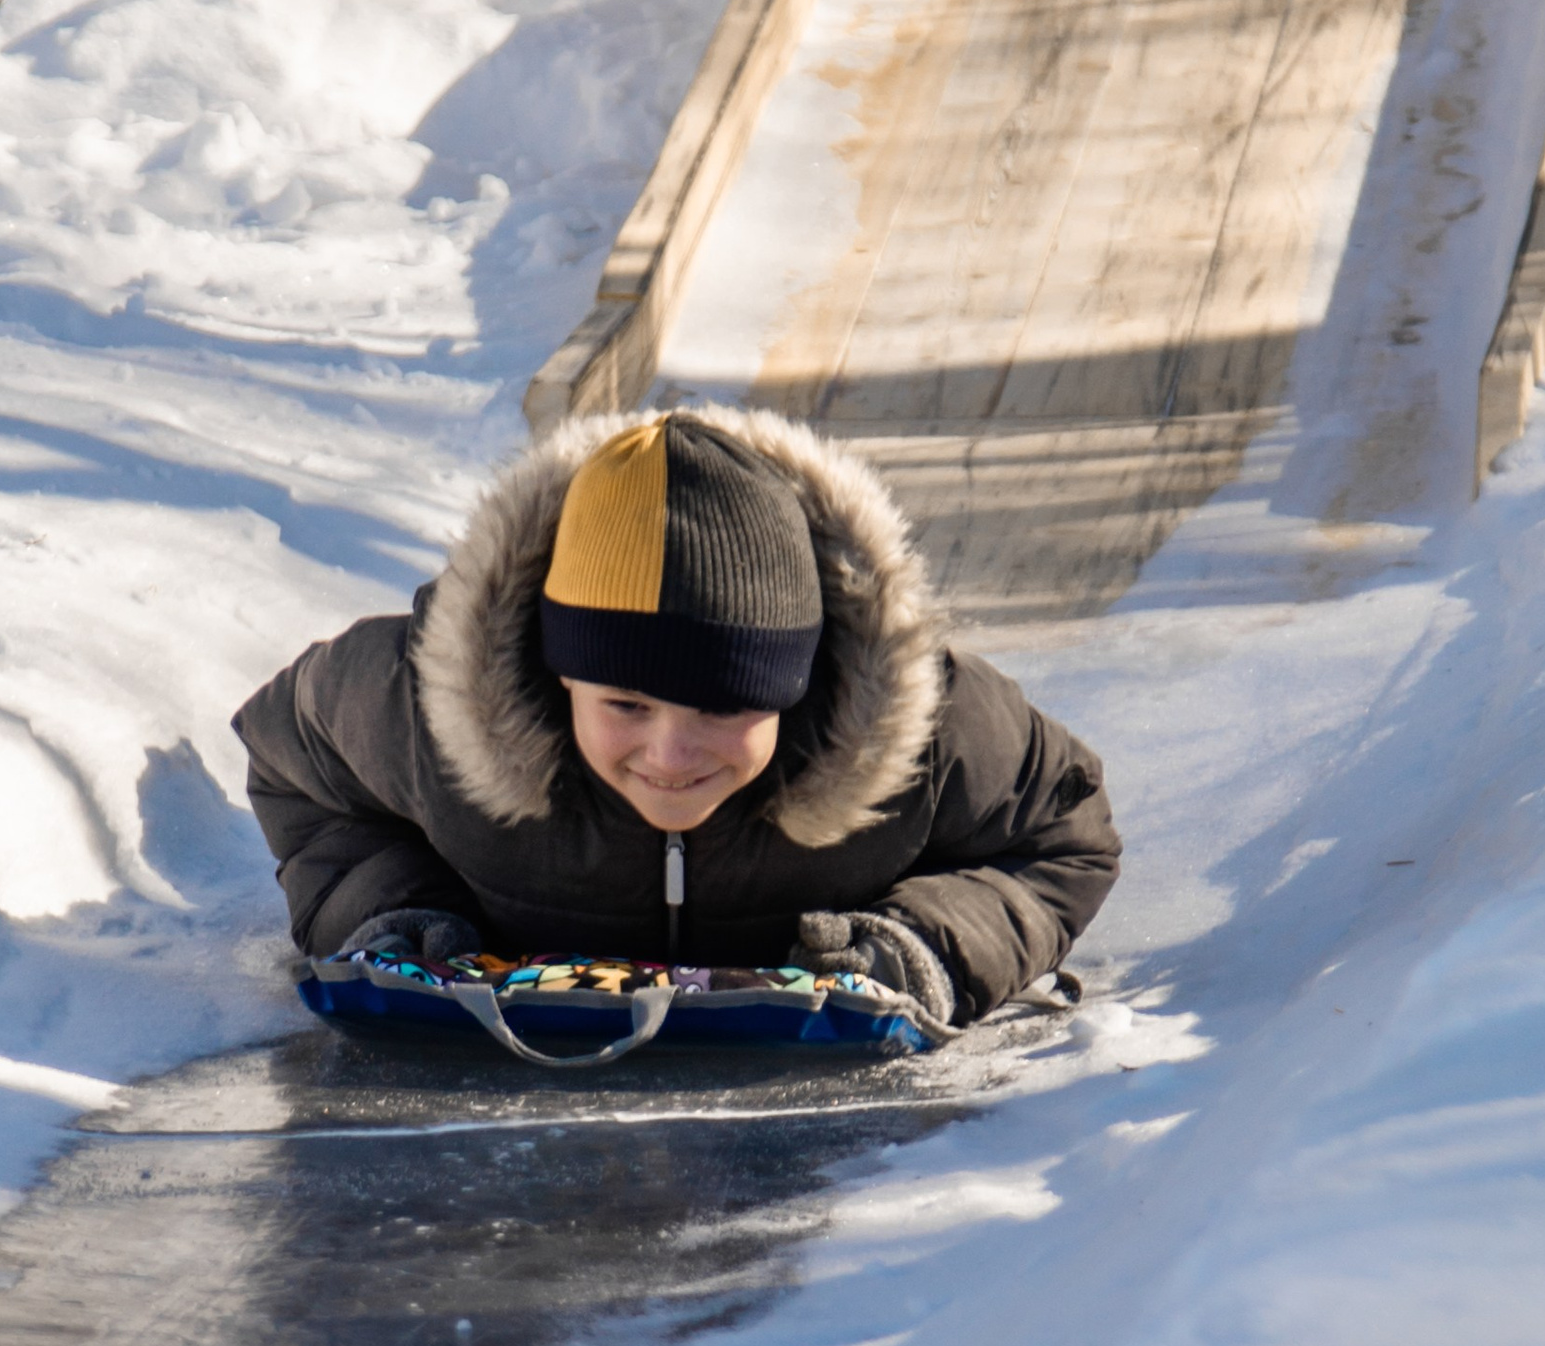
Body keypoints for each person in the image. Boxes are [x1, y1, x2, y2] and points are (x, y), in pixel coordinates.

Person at [232, 408, 1119, 1025]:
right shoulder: (424, 705)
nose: (672, 752)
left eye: (726, 706)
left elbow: (1064, 835)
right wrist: (388, 914)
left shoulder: (924, 729)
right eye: (625, 704)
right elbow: (290, 759)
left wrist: (928, 943)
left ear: (797, 686)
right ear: (556, 678)